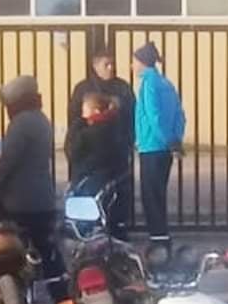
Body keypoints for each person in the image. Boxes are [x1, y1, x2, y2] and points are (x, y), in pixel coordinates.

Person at [0, 75, 74, 304]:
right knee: (48, 249)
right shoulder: (41, 119)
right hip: (42, 196)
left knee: (15, 248)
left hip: (20, 199)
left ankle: (18, 299)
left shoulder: (21, 124)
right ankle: (62, 298)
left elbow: (10, 159)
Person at [66, 48, 135, 238]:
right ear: (95, 66)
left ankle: (118, 228)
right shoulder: (83, 89)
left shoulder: (122, 87)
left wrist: (128, 140)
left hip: (117, 148)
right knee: (89, 195)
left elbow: (131, 115)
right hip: (88, 158)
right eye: (106, 64)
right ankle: (87, 229)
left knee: (116, 193)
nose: (111, 68)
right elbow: (74, 116)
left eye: (112, 63)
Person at [132, 42, 186, 251]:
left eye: (134, 61)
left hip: (151, 147)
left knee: (151, 196)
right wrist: (175, 140)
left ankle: (158, 240)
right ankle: (161, 236)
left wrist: (165, 139)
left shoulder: (149, 84)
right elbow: (180, 115)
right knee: (159, 193)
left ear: (142, 62)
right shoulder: (167, 83)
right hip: (165, 149)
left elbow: (154, 116)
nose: (132, 66)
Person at [65, 92, 123, 209]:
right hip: (106, 181)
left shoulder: (88, 133)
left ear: (96, 111)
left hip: (87, 181)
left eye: (85, 109)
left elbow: (71, 152)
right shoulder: (113, 127)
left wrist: (78, 123)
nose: (82, 113)